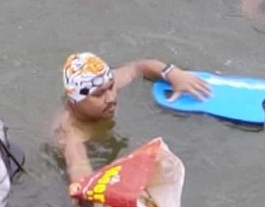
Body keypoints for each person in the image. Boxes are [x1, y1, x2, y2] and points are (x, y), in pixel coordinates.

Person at [53, 51, 210, 189]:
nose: (111, 98)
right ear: (75, 100)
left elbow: (139, 67)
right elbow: (81, 178)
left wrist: (174, 74)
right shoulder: (70, 132)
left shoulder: (100, 84)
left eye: (111, 87)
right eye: (99, 94)